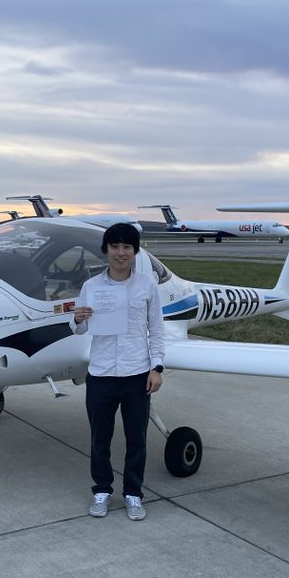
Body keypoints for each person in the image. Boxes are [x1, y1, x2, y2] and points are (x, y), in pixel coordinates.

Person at [71, 222, 165, 520]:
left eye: (127, 247)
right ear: (106, 250)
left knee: (137, 439)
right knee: (100, 439)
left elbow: (156, 329)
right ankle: (102, 490)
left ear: (135, 251)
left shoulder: (147, 286)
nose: (121, 253)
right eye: (115, 246)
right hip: (101, 374)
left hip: (137, 373)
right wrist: (78, 319)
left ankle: (133, 494)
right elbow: (79, 329)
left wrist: (157, 367)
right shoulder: (91, 287)